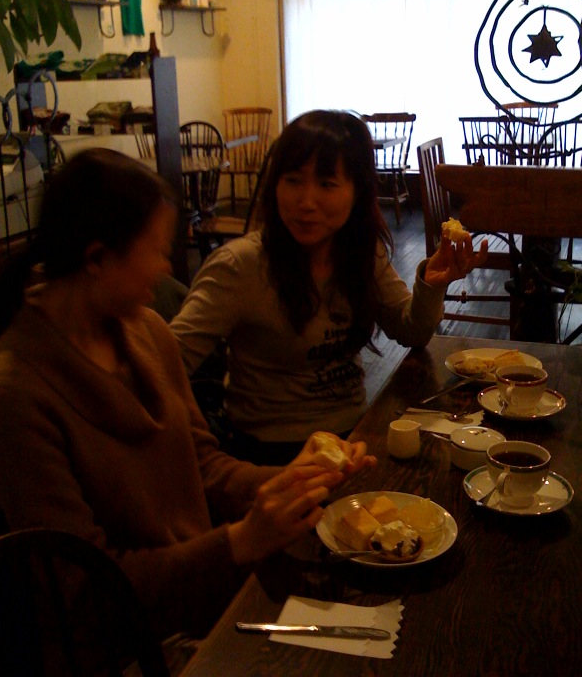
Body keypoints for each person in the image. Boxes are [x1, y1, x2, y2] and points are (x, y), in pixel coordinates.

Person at [0, 148, 376, 649]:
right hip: (133, 647)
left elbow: (202, 465)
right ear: (97, 258)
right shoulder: (13, 394)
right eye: (156, 250)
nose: (166, 268)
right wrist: (240, 541)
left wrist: (289, 480)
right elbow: (85, 592)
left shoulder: (147, 331)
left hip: (208, 601)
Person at [171, 110, 488, 465]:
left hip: (353, 439)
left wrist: (430, 284)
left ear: (358, 191)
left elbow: (411, 331)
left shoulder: (360, 253)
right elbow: (166, 364)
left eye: (326, 184)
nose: (306, 202)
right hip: (271, 455)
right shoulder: (239, 266)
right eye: (293, 180)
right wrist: (204, 458)